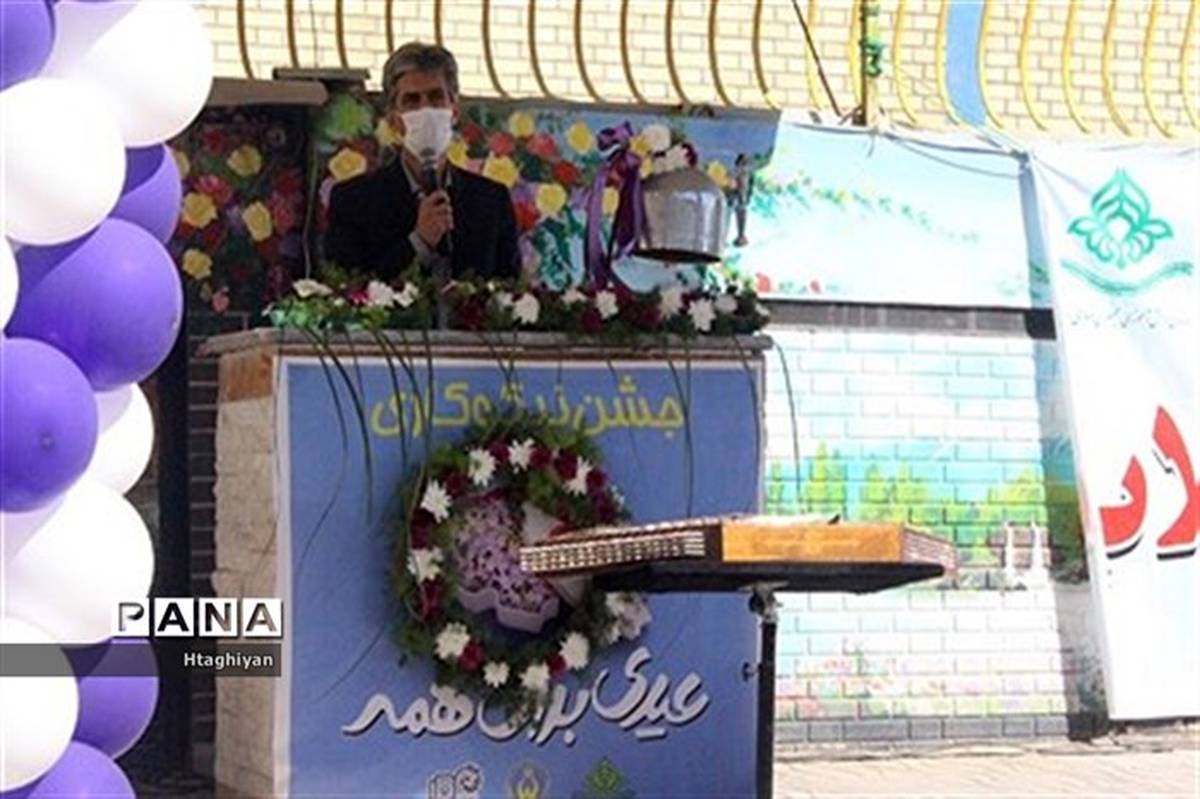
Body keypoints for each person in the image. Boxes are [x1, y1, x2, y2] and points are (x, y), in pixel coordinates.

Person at [324, 42, 519, 281]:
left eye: (436, 97)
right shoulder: (354, 201)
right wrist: (419, 242)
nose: (425, 110)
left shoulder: (491, 200)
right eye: (412, 100)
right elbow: (350, 290)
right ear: (394, 119)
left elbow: (511, 289)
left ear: (454, 110)